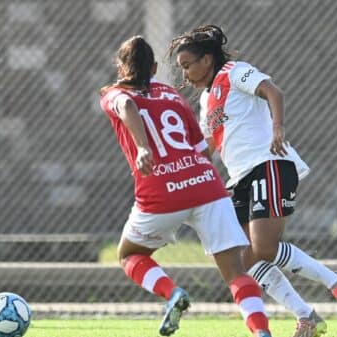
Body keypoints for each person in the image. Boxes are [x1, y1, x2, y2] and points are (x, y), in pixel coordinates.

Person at [167, 24, 337, 337]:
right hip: (240, 178)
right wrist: (184, 169)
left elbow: (273, 91)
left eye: (188, 65)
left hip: (267, 164)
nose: (185, 74)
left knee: (264, 247)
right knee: (244, 259)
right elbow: (211, 145)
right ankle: (307, 316)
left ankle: (336, 282)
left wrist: (278, 128)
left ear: (206, 59)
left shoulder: (235, 72)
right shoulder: (206, 101)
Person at [100, 36, 272, 337]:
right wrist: (195, 175)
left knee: (129, 255)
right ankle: (261, 333)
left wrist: (142, 148)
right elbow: (200, 148)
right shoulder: (172, 95)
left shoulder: (113, 93)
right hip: (207, 185)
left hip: (160, 191)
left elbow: (126, 104)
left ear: (120, 67)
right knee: (235, 272)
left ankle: (173, 294)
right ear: (153, 68)